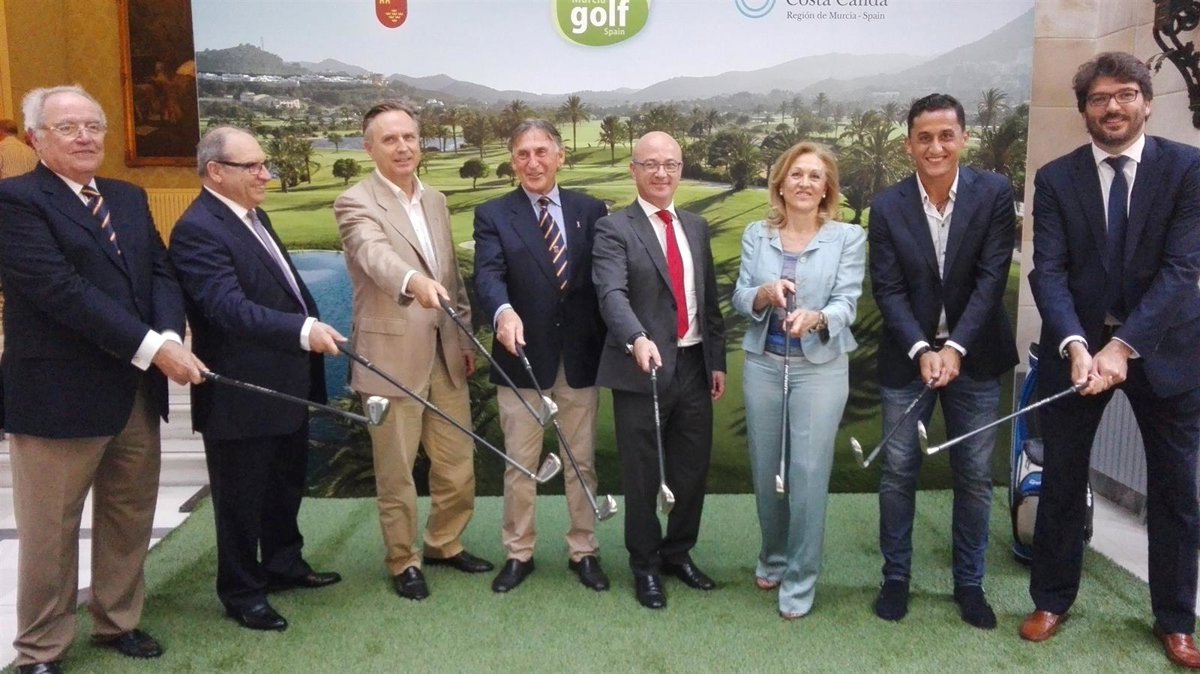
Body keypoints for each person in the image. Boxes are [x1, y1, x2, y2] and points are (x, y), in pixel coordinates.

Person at [0, 85, 205, 674]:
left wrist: (168, 336)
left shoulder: (127, 197)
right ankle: (41, 648)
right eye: (67, 127)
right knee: (50, 531)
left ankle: (118, 622)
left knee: (128, 515)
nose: (85, 137)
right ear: (35, 138)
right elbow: (61, 291)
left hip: (133, 393)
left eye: (93, 125)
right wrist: (154, 348)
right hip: (57, 397)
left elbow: (161, 273)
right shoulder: (15, 201)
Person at [1022, 52, 1200, 669]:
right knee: (1062, 479)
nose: (1113, 107)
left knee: (1177, 490)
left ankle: (1175, 620)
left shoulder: (1187, 169)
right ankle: (1051, 600)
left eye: (1125, 94)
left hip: (1166, 351)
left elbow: (1183, 269)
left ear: (1146, 102)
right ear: (1084, 111)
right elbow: (1048, 271)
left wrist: (1123, 347)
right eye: (1099, 99)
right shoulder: (1056, 178)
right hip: (1076, 353)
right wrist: (1076, 345)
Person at [168, 126, 344, 632]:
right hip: (240, 394)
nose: (266, 174)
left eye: (264, 164)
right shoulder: (199, 229)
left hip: (284, 384)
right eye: (253, 166)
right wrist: (302, 330)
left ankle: (284, 565)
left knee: (283, 485)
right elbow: (226, 308)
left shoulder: (251, 214)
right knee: (240, 500)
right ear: (215, 171)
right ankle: (243, 592)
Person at [868, 93, 1018, 629]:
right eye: (924, 138)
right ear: (908, 145)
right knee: (898, 472)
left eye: (946, 136)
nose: (936, 147)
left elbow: (991, 279)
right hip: (907, 358)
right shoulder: (887, 205)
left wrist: (954, 348)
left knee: (974, 476)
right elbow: (887, 289)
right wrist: (922, 350)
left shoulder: (995, 193)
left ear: (964, 139)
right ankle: (896, 578)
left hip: (975, 359)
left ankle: (970, 584)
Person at [335, 101, 492, 601]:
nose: (402, 147)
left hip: (445, 354)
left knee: (456, 462)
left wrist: (463, 338)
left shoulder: (436, 200)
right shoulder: (354, 202)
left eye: (409, 137)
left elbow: (451, 280)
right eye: (390, 139)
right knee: (397, 470)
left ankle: (445, 542)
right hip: (391, 360)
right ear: (369, 148)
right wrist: (412, 281)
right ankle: (403, 560)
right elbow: (373, 255)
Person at [472, 120, 611, 593]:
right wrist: (503, 311)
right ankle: (519, 552)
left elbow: (602, 280)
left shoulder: (590, 210)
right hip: (522, 358)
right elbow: (488, 276)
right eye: (522, 154)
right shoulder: (493, 214)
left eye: (541, 152)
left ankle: (584, 549)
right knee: (520, 464)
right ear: (512, 161)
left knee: (581, 462)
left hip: (579, 359)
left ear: (560, 156)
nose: (532, 162)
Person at [592, 131, 727, 610]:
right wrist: (636, 337)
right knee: (643, 474)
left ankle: (678, 553)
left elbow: (707, 299)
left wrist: (716, 361)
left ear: (681, 169)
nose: (661, 172)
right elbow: (611, 294)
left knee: (691, 470)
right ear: (634, 170)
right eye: (650, 164)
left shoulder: (696, 226)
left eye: (670, 163)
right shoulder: (614, 229)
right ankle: (645, 566)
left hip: (694, 365)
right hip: (641, 369)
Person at [731, 141, 865, 619]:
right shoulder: (756, 233)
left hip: (820, 369)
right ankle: (774, 556)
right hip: (764, 365)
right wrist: (765, 293)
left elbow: (848, 303)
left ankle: (801, 578)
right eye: (796, 174)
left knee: (807, 474)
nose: (805, 183)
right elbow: (740, 297)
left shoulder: (848, 237)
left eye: (815, 175)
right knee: (767, 469)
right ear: (781, 184)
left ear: (826, 187)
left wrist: (818, 317)